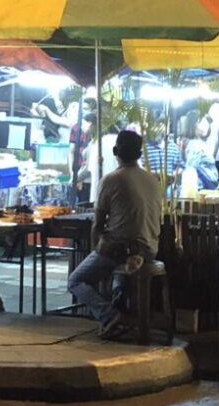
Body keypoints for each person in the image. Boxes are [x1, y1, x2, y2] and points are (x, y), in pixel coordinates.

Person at [66, 129, 164, 339]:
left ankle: (110, 316)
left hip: (122, 249)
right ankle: (122, 311)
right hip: (150, 249)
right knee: (117, 272)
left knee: (76, 280)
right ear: (139, 154)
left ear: (115, 151)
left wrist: (94, 249)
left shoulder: (111, 180)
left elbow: (98, 223)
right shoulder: (153, 180)